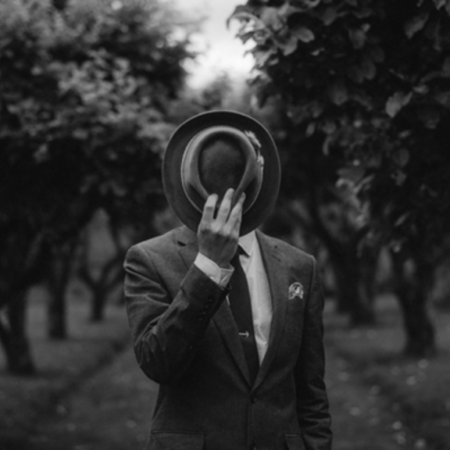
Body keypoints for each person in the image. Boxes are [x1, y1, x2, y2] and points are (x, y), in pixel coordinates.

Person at [124, 110, 332, 450]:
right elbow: (158, 363)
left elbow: (311, 389)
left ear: (259, 173)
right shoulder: (149, 259)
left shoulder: (300, 267)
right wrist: (208, 266)